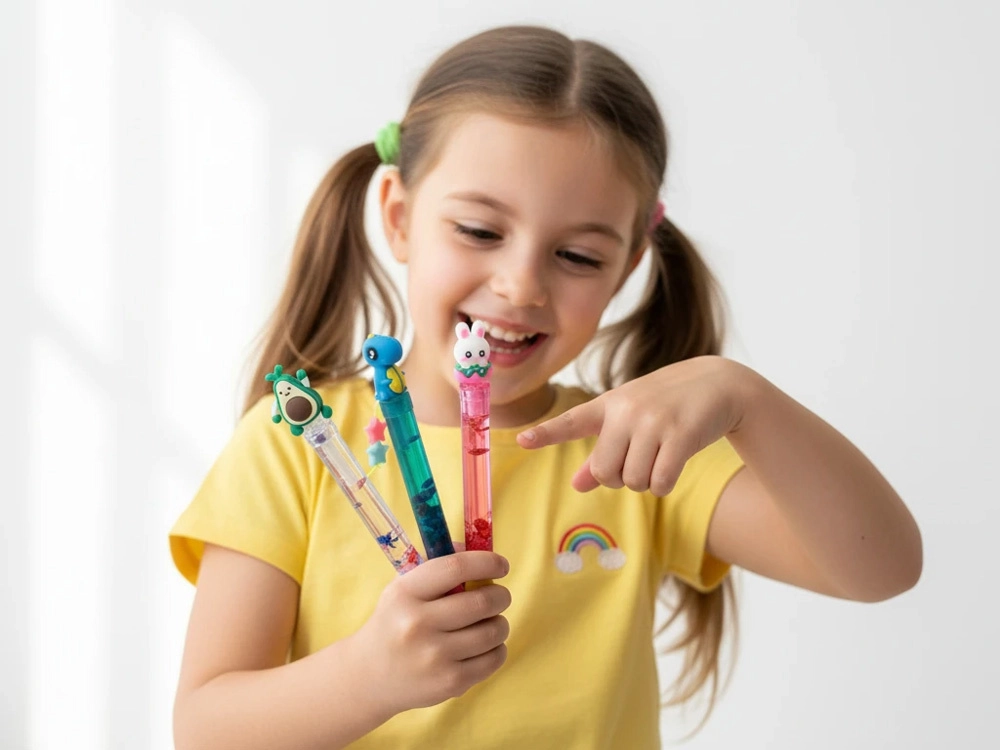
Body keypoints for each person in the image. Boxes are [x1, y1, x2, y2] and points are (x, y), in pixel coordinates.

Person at [168, 24, 922, 750]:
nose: (521, 284)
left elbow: (880, 567)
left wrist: (744, 397)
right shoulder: (295, 443)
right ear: (399, 217)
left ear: (627, 268)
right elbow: (206, 732)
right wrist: (367, 677)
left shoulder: (632, 454)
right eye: (479, 231)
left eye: (578, 256)